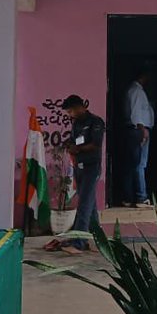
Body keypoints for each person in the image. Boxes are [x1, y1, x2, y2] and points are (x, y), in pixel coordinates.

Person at [44, 94, 105, 253]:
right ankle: (96, 239)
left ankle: (79, 242)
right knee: (89, 205)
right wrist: (69, 145)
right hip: (79, 166)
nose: (70, 115)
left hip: (92, 167)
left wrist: (78, 149)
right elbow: (74, 140)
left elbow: (96, 144)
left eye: (71, 111)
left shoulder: (96, 122)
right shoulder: (76, 123)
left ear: (80, 107)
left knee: (84, 203)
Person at [122, 68, 154, 206]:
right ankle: (141, 196)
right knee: (139, 164)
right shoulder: (137, 91)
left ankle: (128, 198)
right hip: (138, 130)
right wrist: (142, 130)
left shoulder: (134, 90)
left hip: (135, 130)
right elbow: (136, 113)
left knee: (132, 164)